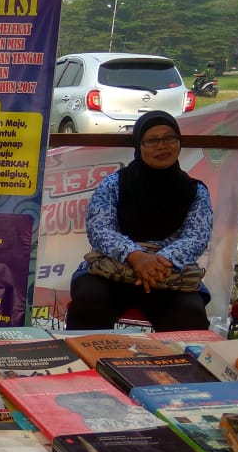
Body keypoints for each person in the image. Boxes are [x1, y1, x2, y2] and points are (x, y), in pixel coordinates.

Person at [66, 110, 213, 331]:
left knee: (189, 316)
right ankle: (88, 365)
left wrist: (158, 262)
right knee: (89, 305)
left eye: (169, 138)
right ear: (139, 145)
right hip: (113, 269)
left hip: (169, 274)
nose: (162, 146)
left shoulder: (195, 191)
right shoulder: (115, 184)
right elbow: (99, 229)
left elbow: (196, 237)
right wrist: (135, 257)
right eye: (152, 140)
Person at [54, 391, 162, 433]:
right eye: (73, 409)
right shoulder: (93, 421)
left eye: (84, 406)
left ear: (108, 403)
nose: (76, 411)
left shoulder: (142, 413)